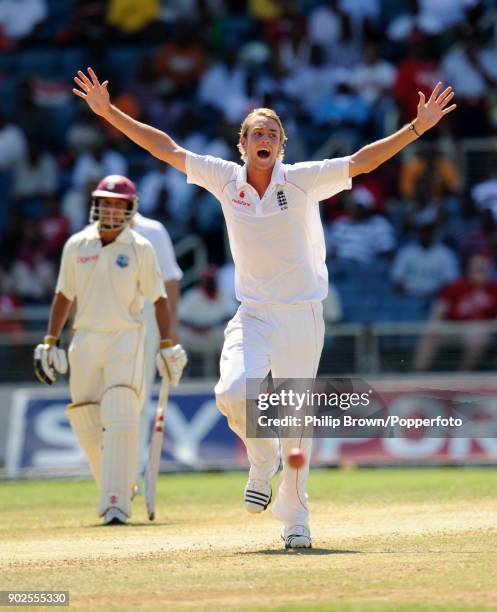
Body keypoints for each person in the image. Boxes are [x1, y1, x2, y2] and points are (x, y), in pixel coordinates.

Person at [72, 66, 456, 548]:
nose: (265, 137)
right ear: (242, 144)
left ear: (282, 145)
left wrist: (416, 127)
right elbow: (164, 148)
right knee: (232, 392)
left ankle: (296, 521)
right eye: (256, 132)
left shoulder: (301, 180)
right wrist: (110, 113)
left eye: (272, 132)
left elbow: (362, 162)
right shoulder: (224, 178)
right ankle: (260, 459)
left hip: (302, 314)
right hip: (252, 312)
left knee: (296, 423)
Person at [33, 174, 187, 525]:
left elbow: (160, 298)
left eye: (119, 205)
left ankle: (116, 504)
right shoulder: (77, 245)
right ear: (96, 205)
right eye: (107, 203)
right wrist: (50, 340)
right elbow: (63, 295)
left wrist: (166, 343)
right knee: (85, 416)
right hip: (85, 339)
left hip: (127, 338)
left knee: (120, 408)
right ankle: (117, 484)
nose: (112, 210)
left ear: (131, 208)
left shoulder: (141, 247)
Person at [130, 211, 183, 481]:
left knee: (138, 394)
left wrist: (171, 327)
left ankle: (135, 464)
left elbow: (170, 280)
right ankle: (114, 462)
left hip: (147, 320)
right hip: (105, 322)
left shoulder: (153, 230)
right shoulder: (91, 233)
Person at [414, 254, 497, 371]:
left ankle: (462, 375)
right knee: (430, 333)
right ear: (468, 270)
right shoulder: (455, 286)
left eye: (484, 269)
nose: (481, 272)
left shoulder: (494, 289)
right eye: (478, 269)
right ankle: (417, 375)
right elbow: (439, 311)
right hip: (455, 329)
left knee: (477, 335)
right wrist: (433, 325)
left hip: (484, 331)